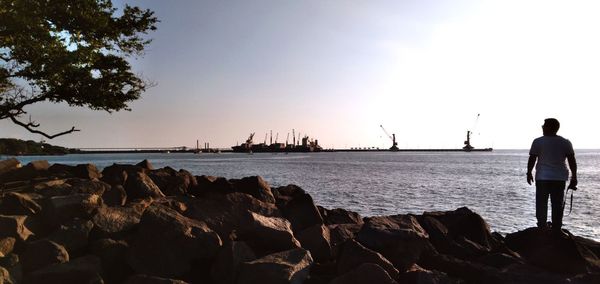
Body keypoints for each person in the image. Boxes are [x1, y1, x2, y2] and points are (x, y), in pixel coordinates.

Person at [527, 118, 577, 235]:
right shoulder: (565, 142)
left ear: (550, 127)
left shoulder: (538, 141)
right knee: (557, 204)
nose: (542, 127)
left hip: (542, 177)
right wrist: (574, 177)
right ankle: (556, 228)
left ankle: (542, 227)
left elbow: (532, 159)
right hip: (559, 178)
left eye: (544, 125)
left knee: (541, 203)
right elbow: (572, 161)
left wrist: (529, 172)